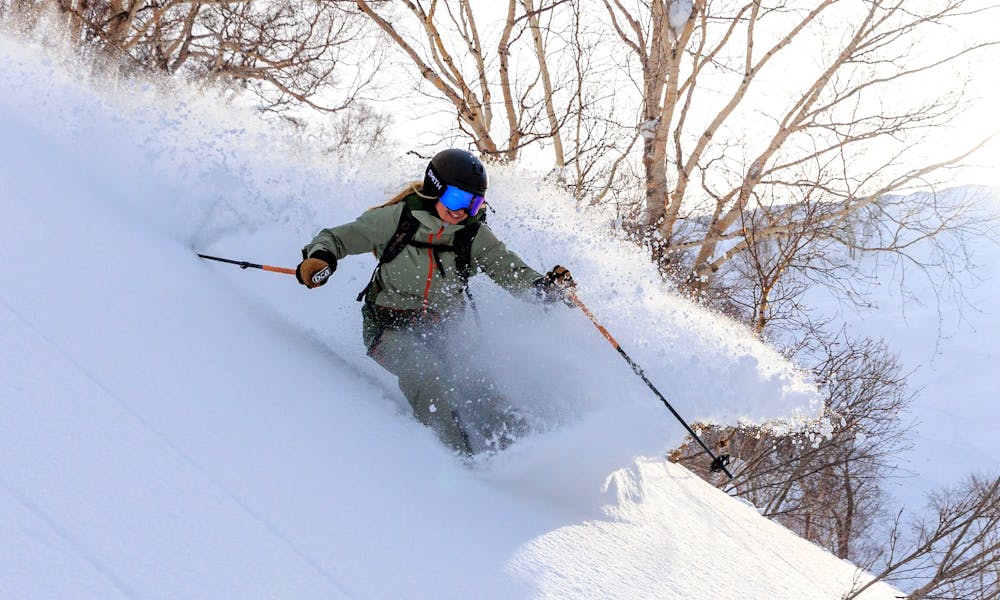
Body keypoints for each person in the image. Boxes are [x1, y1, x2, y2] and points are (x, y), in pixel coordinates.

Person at [296, 149, 575, 456]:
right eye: (456, 199)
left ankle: (529, 457)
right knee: (427, 373)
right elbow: (338, 238)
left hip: (443, 331)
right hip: (388, 327)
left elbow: (507, 268)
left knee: (481, 386)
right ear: (435, 189)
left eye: (473, 202)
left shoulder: (472, 235)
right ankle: (457, 462)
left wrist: (544, 288)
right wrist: (320, 258)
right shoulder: (396, 220)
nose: (462, 211)